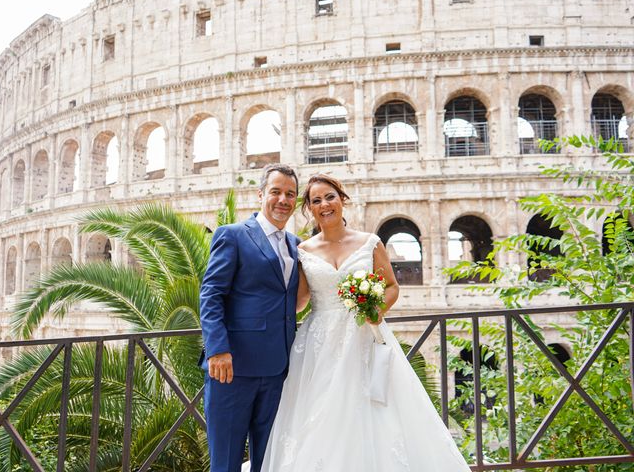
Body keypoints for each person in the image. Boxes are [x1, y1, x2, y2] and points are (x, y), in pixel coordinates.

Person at [259, 174, 471, 471]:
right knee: (320, 416)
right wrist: (263, 317)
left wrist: (377, 308)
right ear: (309, 209)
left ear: (342, 200)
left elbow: (392, 286)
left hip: (364, 336)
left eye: (329, 197)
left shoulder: (370, 243)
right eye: (316, 201)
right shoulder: (303, 250)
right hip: (319, 345)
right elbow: (302, 299)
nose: (324, 205)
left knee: (373, 412)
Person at [199, 164, 300, 472]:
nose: (283, 199)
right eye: (276, 192)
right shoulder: (233, 235)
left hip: (278, 369)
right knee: (227, 460)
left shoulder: (295, 245)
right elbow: (211, 294)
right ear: (260, 195)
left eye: (290, 194)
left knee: (268, 461)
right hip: (232, 368)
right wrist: (217, 349)